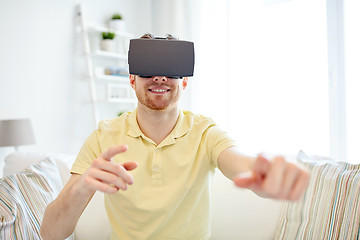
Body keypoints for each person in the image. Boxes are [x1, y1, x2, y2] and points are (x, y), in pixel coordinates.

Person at [40, 33, 309, 240]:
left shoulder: (205, 132)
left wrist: (263, 174)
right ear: (132, 79)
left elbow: (239, 161)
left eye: (170, 69)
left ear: (184, 81)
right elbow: (51, 233)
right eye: (148, 69)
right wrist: (83, 185)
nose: (159, 77)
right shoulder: (103, 136)